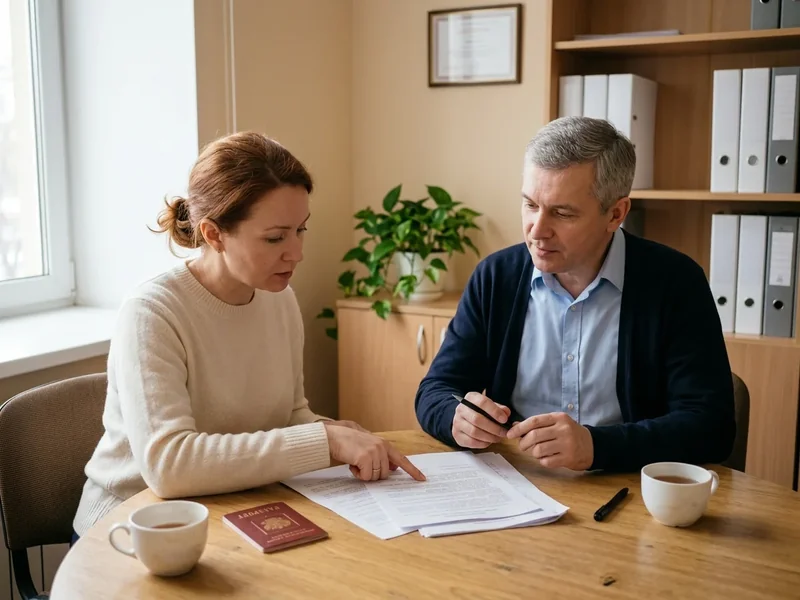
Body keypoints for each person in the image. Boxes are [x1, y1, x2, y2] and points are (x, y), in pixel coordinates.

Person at [72, 132, 424, 541]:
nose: (296, 253)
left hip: (230, 508)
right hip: (135, 527)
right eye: (275, 238)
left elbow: (288, 417)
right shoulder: (152, 312)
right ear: (214, 234)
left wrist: (338, 433)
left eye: (301, 230)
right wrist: (324, 440)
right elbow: (169, 467)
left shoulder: (280, 301)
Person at [415, 116, 736, 473]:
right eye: (530, 205)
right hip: (517, 486)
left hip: (628, 489)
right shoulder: (495, 277)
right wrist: (455, 418)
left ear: (615, 214)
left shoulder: (676, 282)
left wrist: (597, 446)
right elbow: (436, 390)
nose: (537, 231)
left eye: (562, 213)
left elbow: (712, 428)